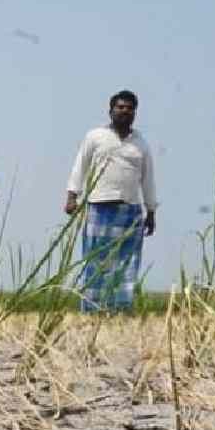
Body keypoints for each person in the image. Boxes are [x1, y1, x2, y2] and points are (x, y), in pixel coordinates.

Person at [64, 90, 157, 313]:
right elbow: (80, 166)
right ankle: (93, 309)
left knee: (127, 263)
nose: (125, 111)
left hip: (130, 210)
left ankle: (121, 309)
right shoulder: (95, 136)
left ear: (135, 113)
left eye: (129, 108)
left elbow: (148, 178)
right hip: (99, 206)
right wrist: (71, 196)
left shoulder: (141, 143)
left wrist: (151, 211)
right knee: (95, 261)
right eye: (120, 107)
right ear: (111, 111)